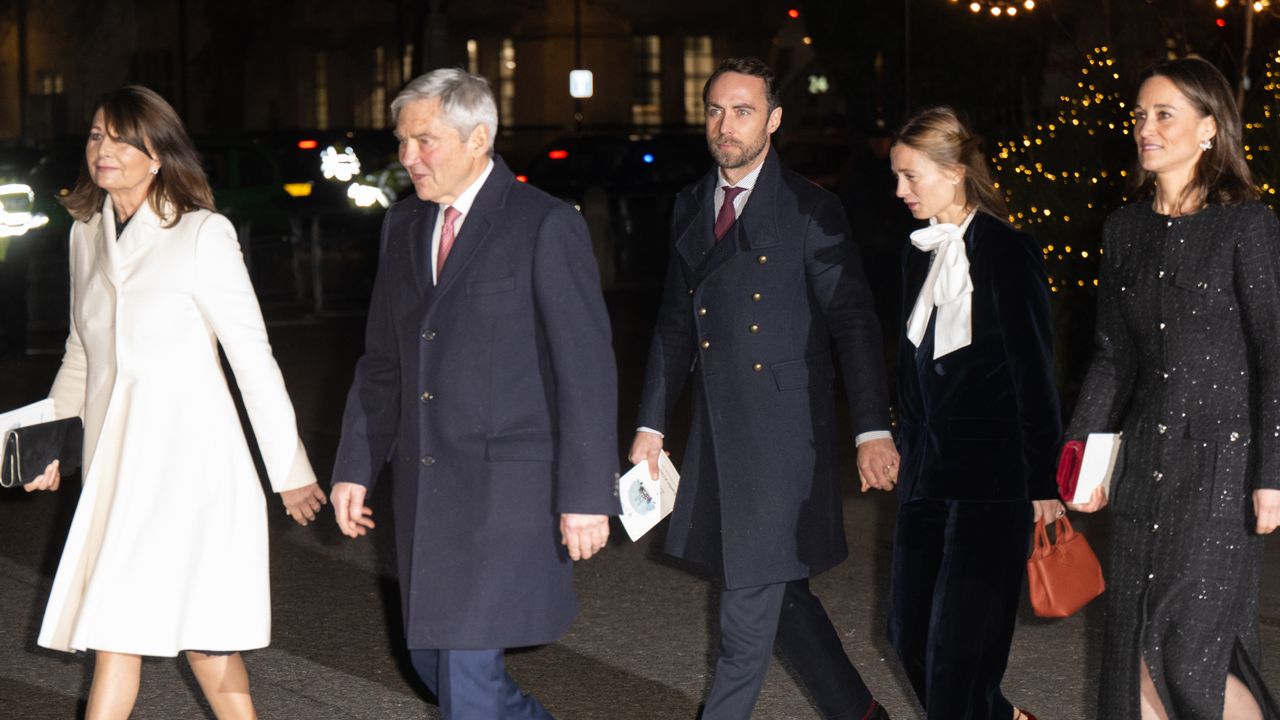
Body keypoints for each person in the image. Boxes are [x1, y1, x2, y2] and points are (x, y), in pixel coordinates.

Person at [23, 85, 327, 720]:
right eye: (96, 135)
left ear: (158, 153)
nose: (104, 149)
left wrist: (290, 471)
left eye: (121, 138)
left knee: (207, 647)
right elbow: (81, 354)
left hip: (195, 469)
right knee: (114, 634)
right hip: (118, 470)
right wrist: (48, 445)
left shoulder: (201, 233)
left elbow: (253, 358)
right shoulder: (84, 234)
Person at [329, 68, 618, 720]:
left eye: (424, 142)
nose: (407, 159)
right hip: (428, 496)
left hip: (506, 495)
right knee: (434, 668)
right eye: (402, 143)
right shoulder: (402, 226)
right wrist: (356, 465)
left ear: (479, 136)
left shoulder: (542, 224)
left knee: (465, 680)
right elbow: (383, 363)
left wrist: (584, 495)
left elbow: (586, 371)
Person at [629, 56, 898, 720]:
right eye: (716, 110)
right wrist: (651, 425)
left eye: (743, 110)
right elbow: (672, 326)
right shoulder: (692, 203)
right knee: (777, 593)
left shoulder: (811, 209)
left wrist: (871, 427)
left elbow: (855, 323)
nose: (727, 124)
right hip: (720, 437)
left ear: (773, 120)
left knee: (745, 614)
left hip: (785, 443)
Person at [1067, 57, 1280, 719]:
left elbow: (1276, 350)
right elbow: (1111, 359)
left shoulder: (1246, 225)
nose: (1145, 128)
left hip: (1219, 475)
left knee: (1190, 656)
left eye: (1164, 114)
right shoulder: (1124, 229)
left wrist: (1273, 472)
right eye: (1140, 115)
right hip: (1143, 474)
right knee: (1133, 656)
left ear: (1210, 128)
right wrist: (1080, 458)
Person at [886, 107, 1061, 720]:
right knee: (908, 639)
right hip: (924, 482)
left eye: (911, 177)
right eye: (897, 178)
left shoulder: (1009, 252)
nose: (899, 191)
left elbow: (1034, 375)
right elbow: (911, 369)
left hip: (993, 485)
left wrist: (1043, 483)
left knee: (958, 659)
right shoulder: (917, 251)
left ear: (955, 173)